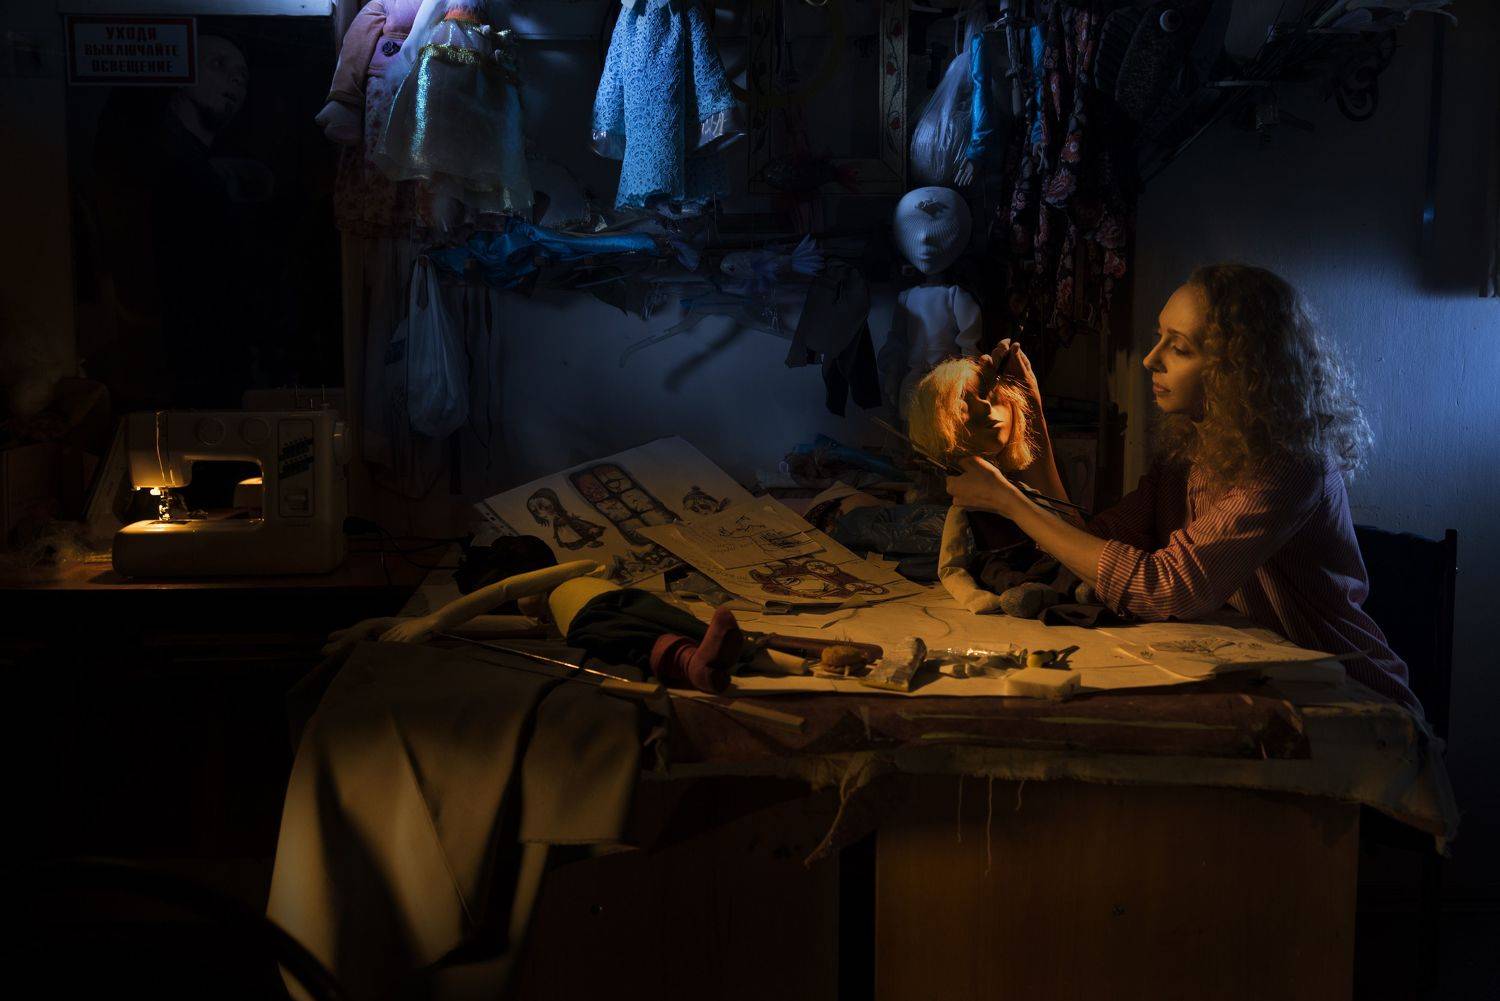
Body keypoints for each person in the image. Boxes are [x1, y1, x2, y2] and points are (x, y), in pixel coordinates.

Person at [945, 264, 1420, 714]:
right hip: (1266, 681)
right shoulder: (1194, 449)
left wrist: (1009, 502)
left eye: (1180, 347)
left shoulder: (1290, 465)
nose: (1150, 359)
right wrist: (1032, 423)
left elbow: (1167, 588)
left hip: (1350, 697)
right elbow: (1088, 545)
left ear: (1240, 370)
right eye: (1159, 337)